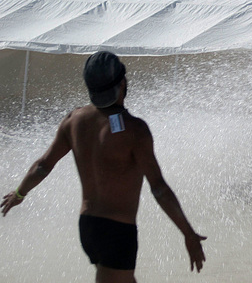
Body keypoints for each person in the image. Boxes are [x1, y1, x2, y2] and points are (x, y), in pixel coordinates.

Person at [1, 51, 206, 283]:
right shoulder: (135, 130)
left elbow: (43, 166)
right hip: (117, 233)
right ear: (122, 83)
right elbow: (158, 188)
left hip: (88, 226)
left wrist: (20, 193)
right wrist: (188, 233)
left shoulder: (73, 120)